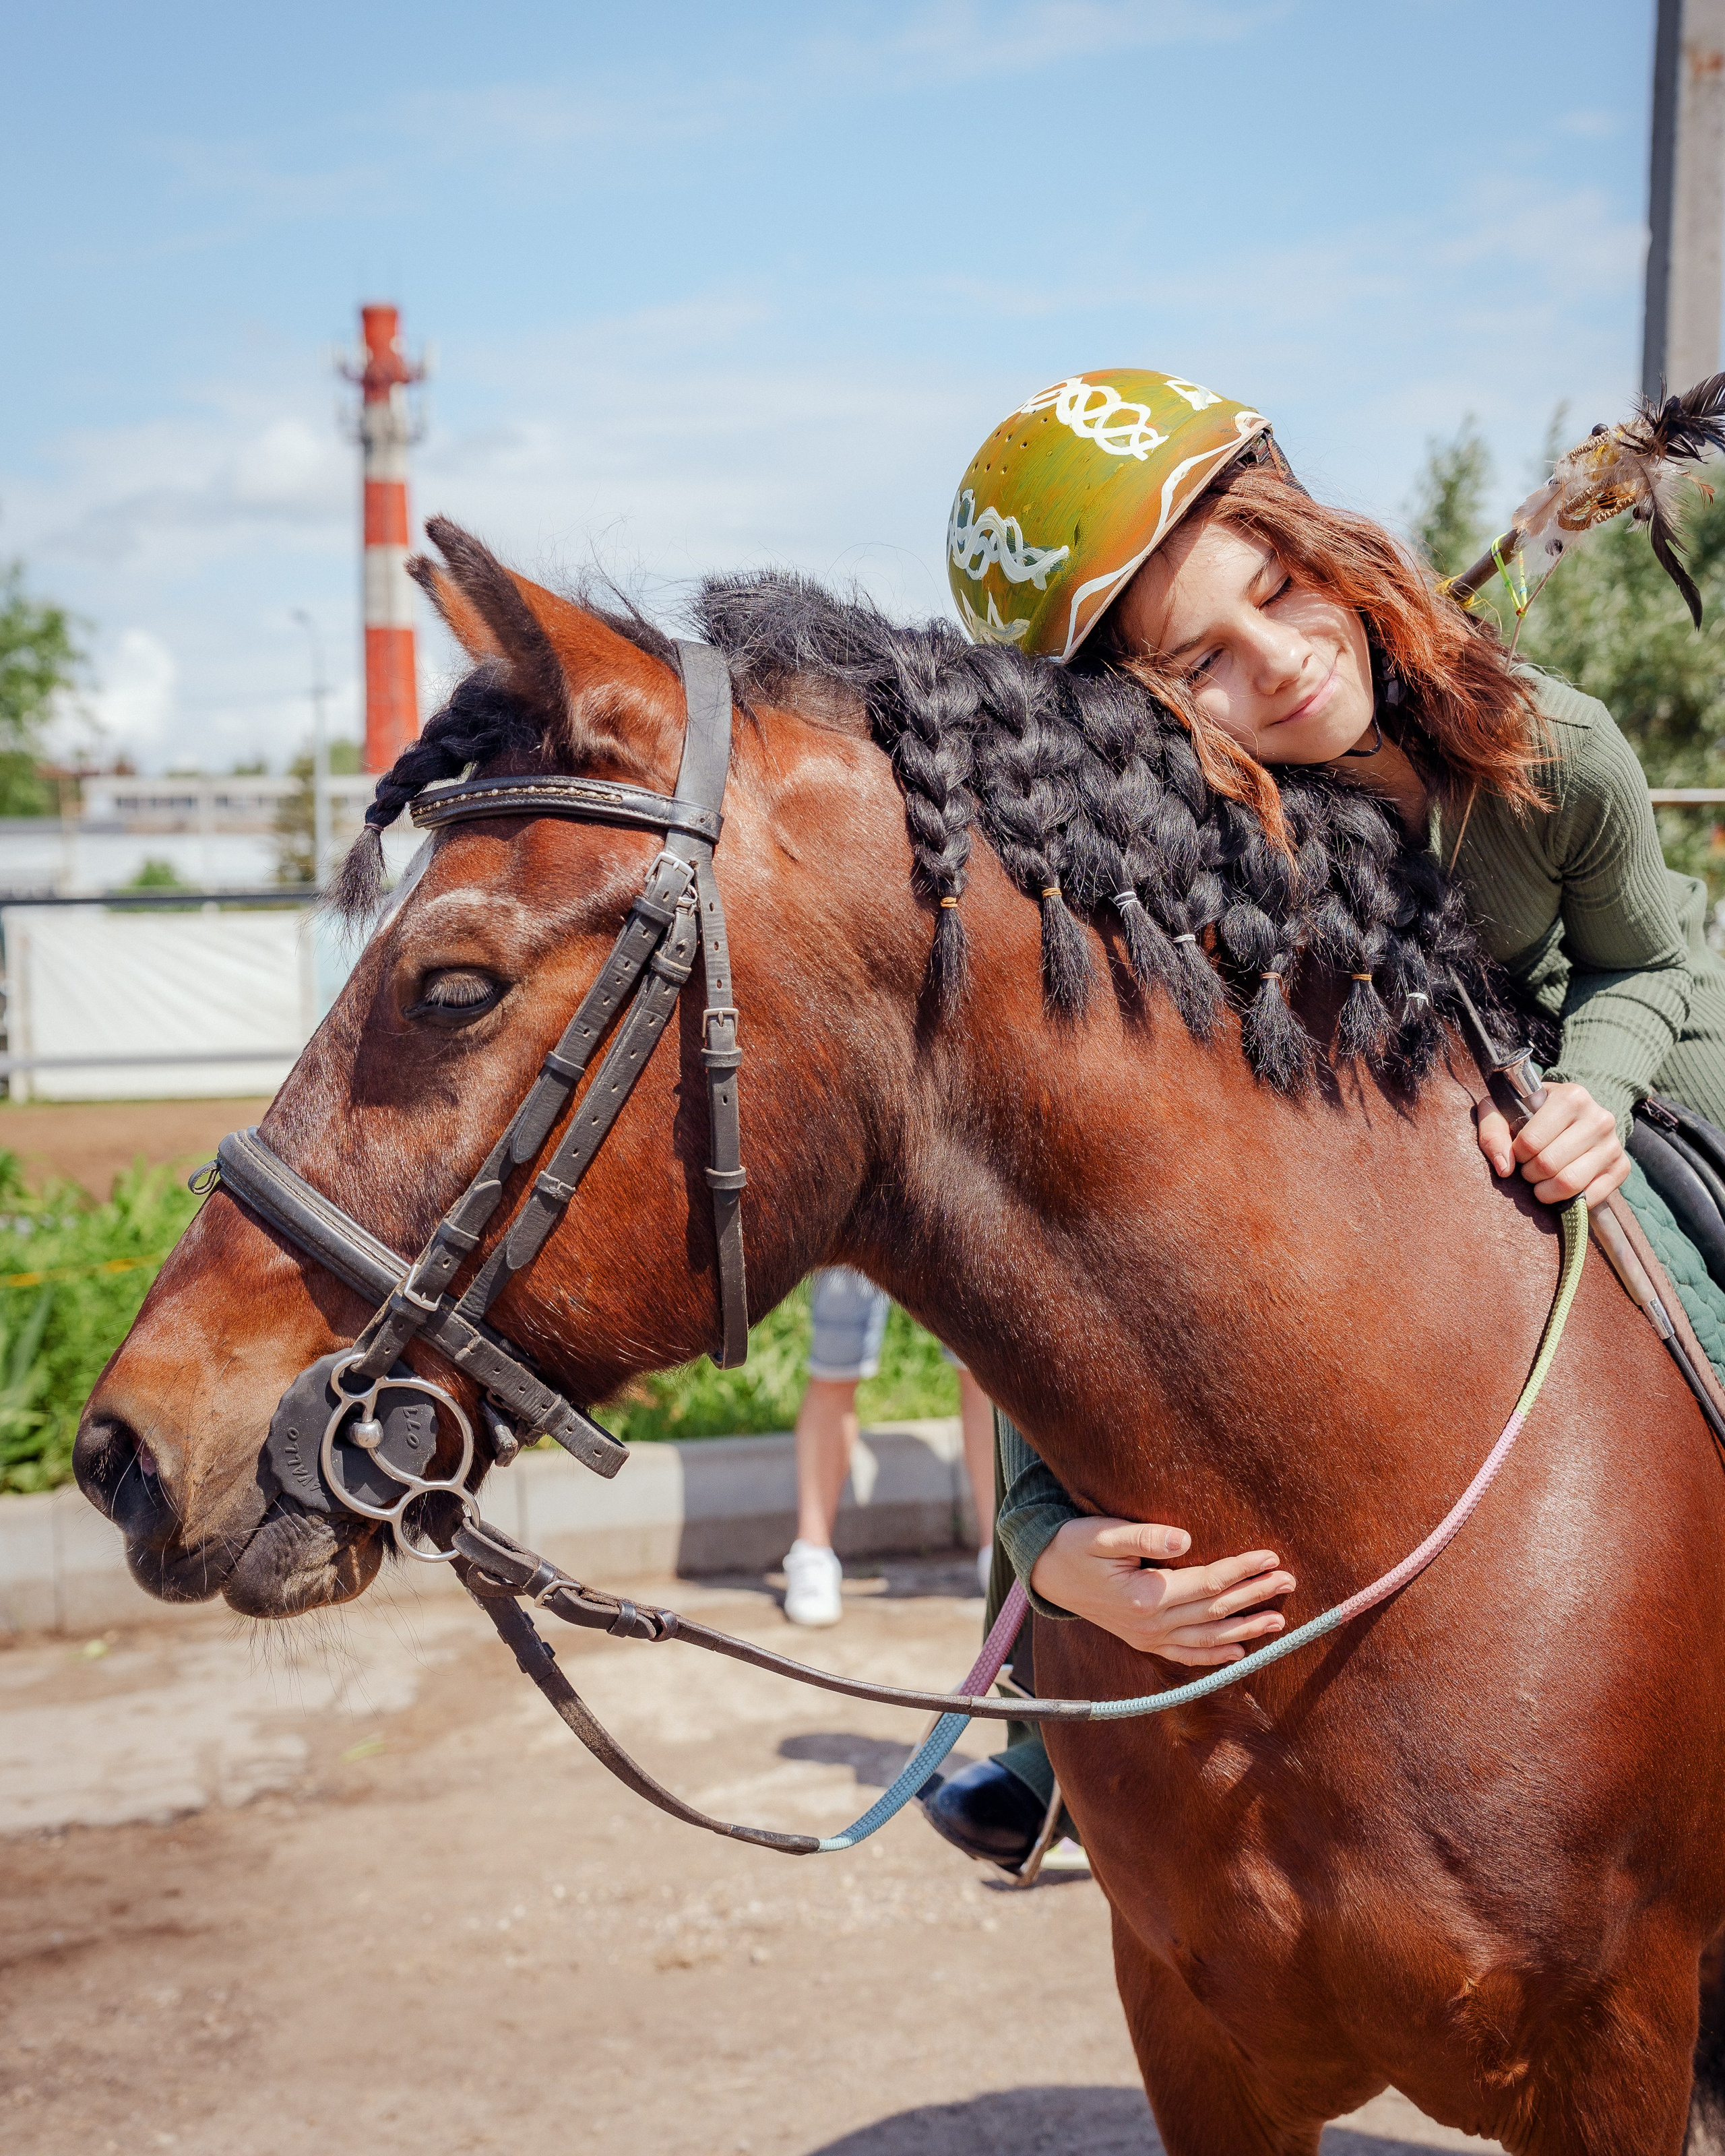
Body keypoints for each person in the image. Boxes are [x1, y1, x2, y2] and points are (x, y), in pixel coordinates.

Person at [922, 366, 1725, 1871]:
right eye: (1198, 664)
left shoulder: (1551, 741)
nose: (1281, 662)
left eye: (1282, 590)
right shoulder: (1192, 874)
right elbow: (1098, 1240)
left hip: (1628, 1027)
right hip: (1400, 1067)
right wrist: (1053, 1542)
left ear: (1325, 548)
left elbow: (1645, 958)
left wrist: (1595, 1096)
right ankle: (1037, 1736)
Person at [781, 1267, 998, 1627]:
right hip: (853, 1210)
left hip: (956, 1207)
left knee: (980, 1371)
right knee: (833, 1368)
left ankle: (1000, 1555)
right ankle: (812, 1554)